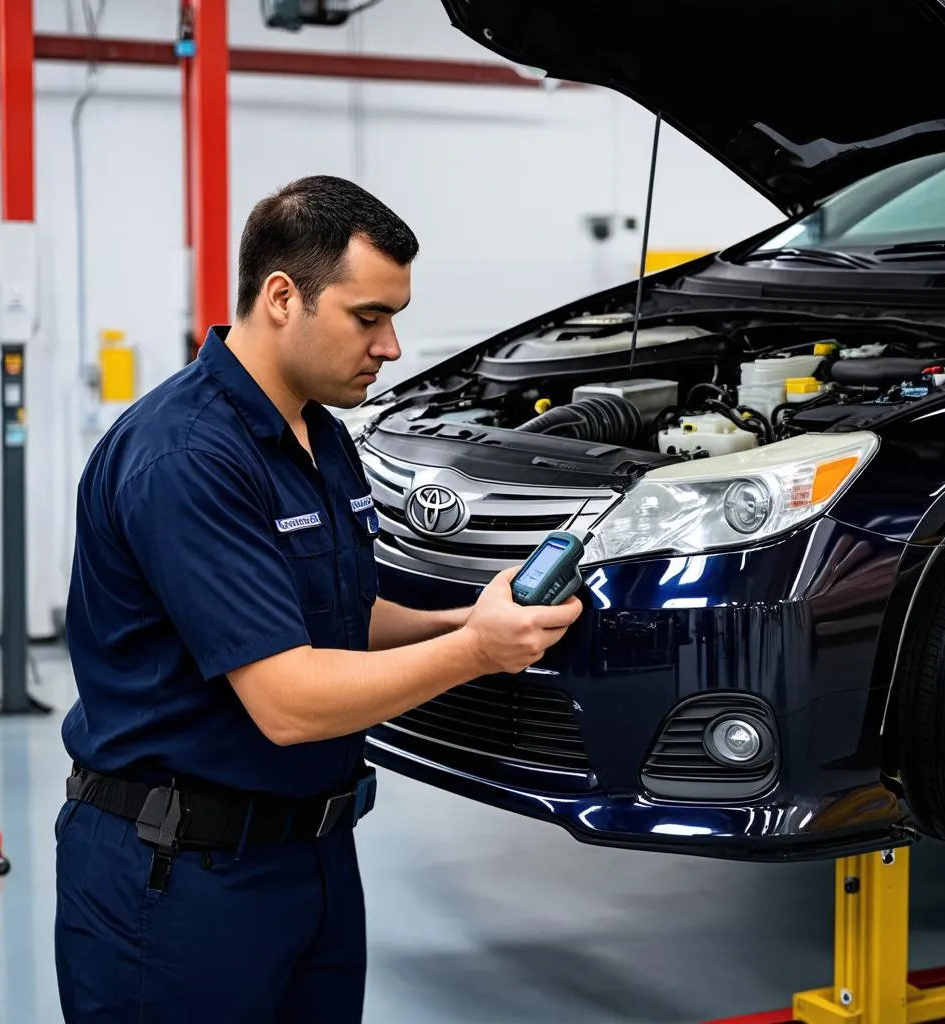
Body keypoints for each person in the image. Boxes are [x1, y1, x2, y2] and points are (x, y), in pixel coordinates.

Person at [53, 175, 582, 1023]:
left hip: (315, 859)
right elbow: (290, 701)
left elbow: (338, 615)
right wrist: (477, 652)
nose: (392, 347)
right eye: (367, 317)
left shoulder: (319, 435)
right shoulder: (186, 457)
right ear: (281, 297)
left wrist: (464, 617)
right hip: (179, 874)